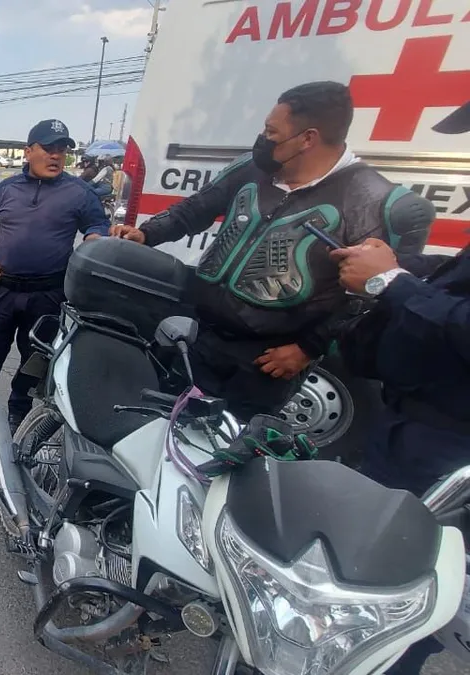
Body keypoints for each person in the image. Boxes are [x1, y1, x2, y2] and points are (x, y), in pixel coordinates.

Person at [110, 81, 433, 420]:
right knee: (166, 425)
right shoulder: (251, 169)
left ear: (307, 138)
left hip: (269, 361)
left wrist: (308, 349)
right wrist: (145, 234)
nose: (262, 139)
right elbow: (195, 209)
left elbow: (370, 301)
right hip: (202, 337)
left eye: (271, 131)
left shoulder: (378, 204)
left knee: (227, 450)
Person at [328, 238, 469, 674]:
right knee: (358, 576)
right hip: (406, 431)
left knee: (406, 599)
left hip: (447, 455)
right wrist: (403, 265)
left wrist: (392, 281)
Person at [0, 119, 110, 429]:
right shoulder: (5, 189)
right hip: (2, 290)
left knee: (34, 356)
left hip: (47, 293)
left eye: (62, 150)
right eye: (48, 148)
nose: (56, 156)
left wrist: (94, 238)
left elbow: (97, 224)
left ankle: (18, 406)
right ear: (28, 152)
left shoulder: (79, 192)